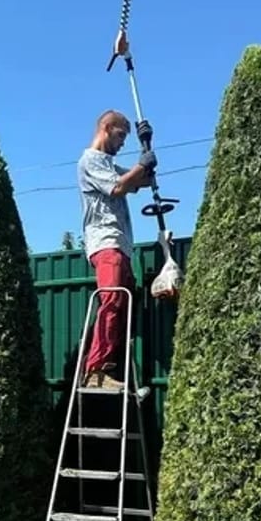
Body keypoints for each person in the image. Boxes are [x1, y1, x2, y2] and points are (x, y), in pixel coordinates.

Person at [77, 109, 157, 390]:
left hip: (121, 245)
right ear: (106, 128)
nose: (123, 142)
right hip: (105, 241)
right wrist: (140, 166)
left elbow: (140, 181)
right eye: (121, 135)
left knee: (123, 306)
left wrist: (147, 149)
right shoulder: (90, 161)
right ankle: (96, 371)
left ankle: (111, 369)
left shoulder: (108, 164)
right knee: (111, 300)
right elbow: (118, 188)